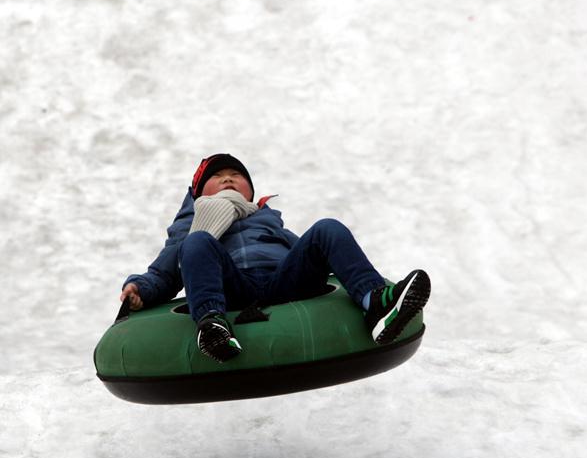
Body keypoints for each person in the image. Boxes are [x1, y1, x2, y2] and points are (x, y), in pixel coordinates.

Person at [120, 153, 430, 363]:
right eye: (218, 177)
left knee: (326, 229)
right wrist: (140, 289)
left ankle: (376, 303)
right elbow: (165, 272)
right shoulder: (191, 224)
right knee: (197, 242)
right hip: (232, 290)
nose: (228, 179)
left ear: (250, 191)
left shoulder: (265, 218)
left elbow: (306, 252)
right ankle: (212, 327)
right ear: (200, 191)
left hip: (282, 281)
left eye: (236, 176)